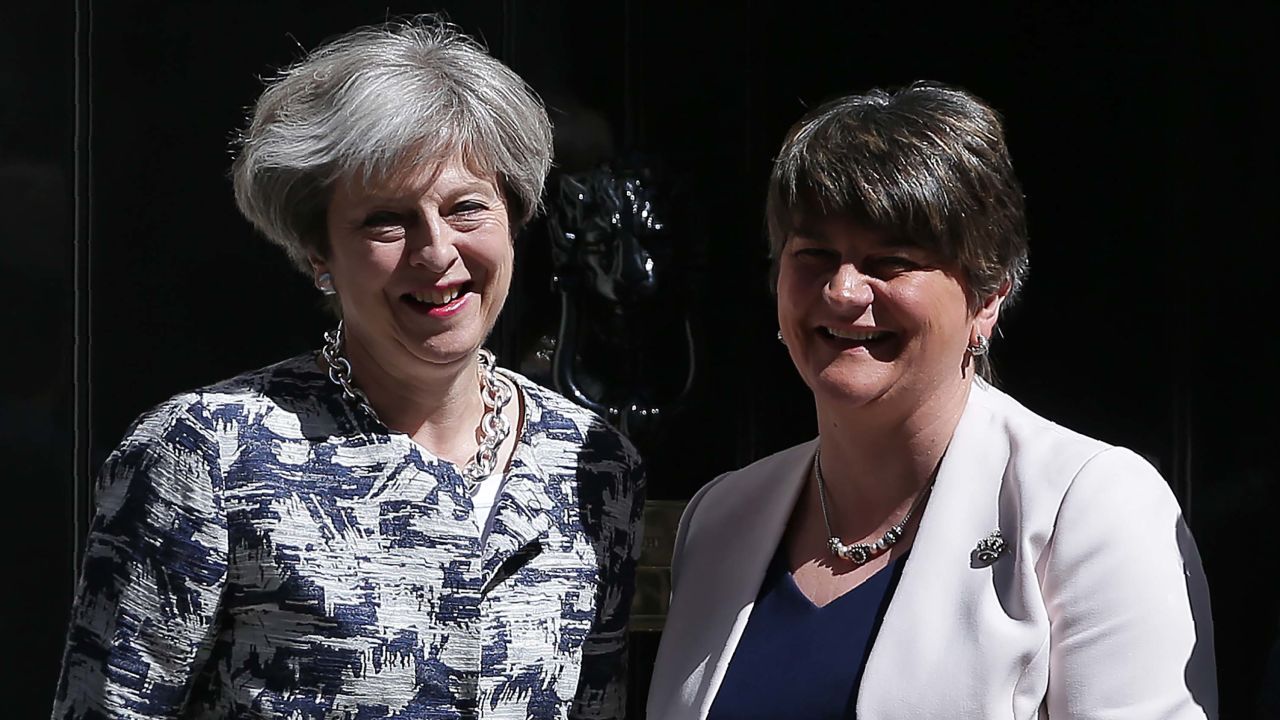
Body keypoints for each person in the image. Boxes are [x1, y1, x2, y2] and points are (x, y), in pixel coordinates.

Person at [52, 17, 644, 719]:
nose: (436, 253)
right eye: (385, 221)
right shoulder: (208, 453)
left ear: (513, 219)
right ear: (318, 253)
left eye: (466, 208)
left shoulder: (592, 462)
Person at [647, 82, 1216, 719]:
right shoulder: (720, 517)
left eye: (890, 261)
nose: (842, 291)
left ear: (988, 297)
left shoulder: (1087, 506)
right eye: (813, 255)